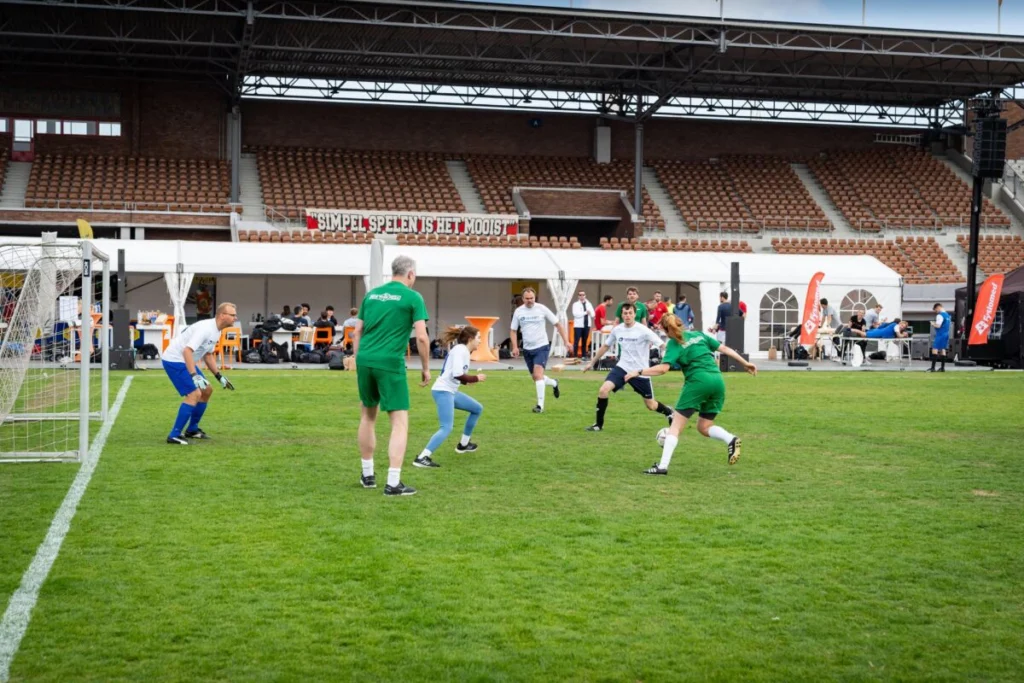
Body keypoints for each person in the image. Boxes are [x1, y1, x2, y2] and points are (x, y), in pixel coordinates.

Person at [624, 314, 756, 475]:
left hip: (698, 382)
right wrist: (745, 363)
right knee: (704, 426)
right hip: (717, 381)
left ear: (666, 330)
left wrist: (638, 371)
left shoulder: (673, 343)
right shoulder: (698, 334)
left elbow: (663, 369)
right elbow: (724, 349)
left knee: (675, 427)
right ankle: (731, 439)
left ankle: (662, 467)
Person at [352, 255, 430, 497]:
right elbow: (422, 337)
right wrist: (426, 368)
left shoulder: (371, 295)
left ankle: (367, 475)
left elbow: (357, 331)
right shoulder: (413, 297)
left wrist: (358, 359)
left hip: (365, 359)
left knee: (367, 415)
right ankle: (393, 482)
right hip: (389, 362)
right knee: (399, 422)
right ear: (410, 274)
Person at [583, 302, 673, 432]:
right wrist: (592, 362)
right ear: (622, 314)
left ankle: (669, 411)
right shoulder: (617, 329)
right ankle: (598, 425)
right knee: (603, 390)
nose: (627, 316)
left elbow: (662, 345)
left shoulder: (643, 330)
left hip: (640, 371)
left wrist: (673, 357)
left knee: (651, 405)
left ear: (635, 314)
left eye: (630, 313)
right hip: (622, 367)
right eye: (625, 313)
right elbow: (605, 346)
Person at [161, 303, 238, 445]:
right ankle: (174, 435)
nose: (235, 317)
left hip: (185, 360)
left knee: (207, 390)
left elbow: (207, 355)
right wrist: (194, 375)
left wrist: (219, 376)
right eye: (232, 315)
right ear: (222, 315)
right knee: (194, 394)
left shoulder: (217, 330)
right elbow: (187, 351)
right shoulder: (206, 329)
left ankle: (192, 429)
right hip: (174, 360)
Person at [414, 325, 487, 468]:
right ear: (470, 339)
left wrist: (466, 381)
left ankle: (463, 444)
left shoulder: (463, 351)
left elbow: (454, 374)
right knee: (446, 427)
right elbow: (457, 374)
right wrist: (475, 378)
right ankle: (422, 457)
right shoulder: (461, 351)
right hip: (443, 391)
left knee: (477, 408)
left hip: (449, 391)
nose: (480, 341)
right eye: (479, 338)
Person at [510, 287, 571, 414]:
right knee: (536, 377)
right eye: (527, 299)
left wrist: (566, 341)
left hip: (542, 347)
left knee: (538, 375)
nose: (529, 301)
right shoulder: (518, 312)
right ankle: (554, 383)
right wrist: (515, 346)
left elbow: (558, 324)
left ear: (535, 297)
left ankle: (540, 406)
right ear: (522, 299)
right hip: (527, 349)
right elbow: (513, 330)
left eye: (531, 298)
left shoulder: (541, 308)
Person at [571, 290, 595, 359]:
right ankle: (575, 355)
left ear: (585, 296)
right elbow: (576, 314)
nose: (582, 296)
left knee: (585, 341)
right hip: (578, 325)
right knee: (576, 340)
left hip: (587, 325)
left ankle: (584, 355)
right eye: (580, 295)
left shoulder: (588, 304)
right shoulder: (575, 304)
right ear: (578, 296)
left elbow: (593, 314)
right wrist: (585, 312)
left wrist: (589, 313)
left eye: (583, 295)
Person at [929, 303, 951, 372]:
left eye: (935, 310)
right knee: (943, 349)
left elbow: (938, 326)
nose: (936, 312)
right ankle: (942, 368)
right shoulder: (948, 315)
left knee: (934, 349)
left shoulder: (940, 315)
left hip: (940, 334)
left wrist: (933, 324)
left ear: (938, 307)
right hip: (946, 333)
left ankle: (933, 368)